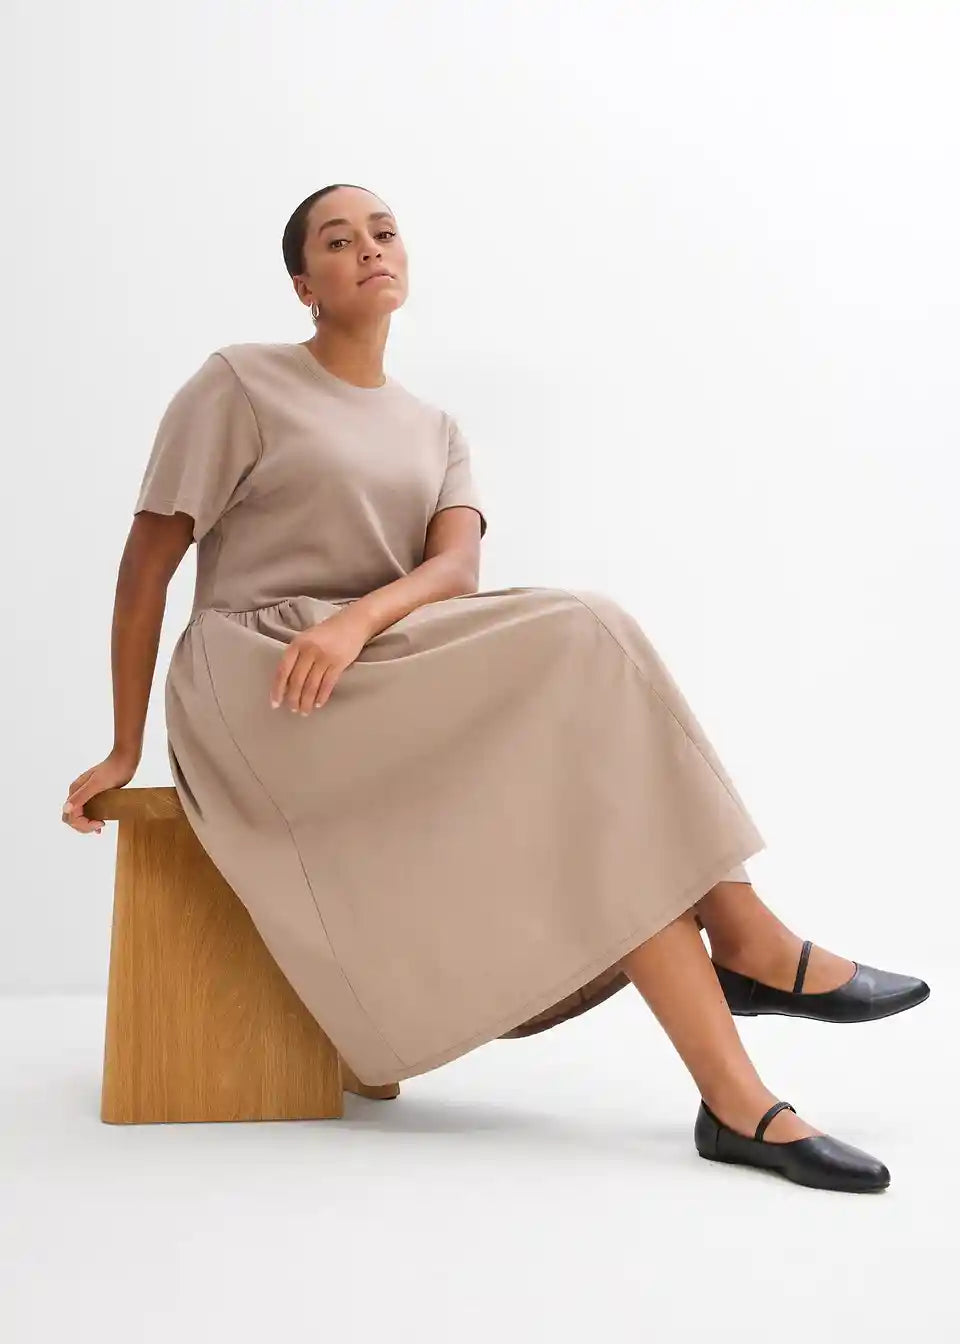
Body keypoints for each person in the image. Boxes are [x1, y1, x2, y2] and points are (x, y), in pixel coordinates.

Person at [61, 182, 929, 1193]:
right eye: (338, 241)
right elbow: (147, 565)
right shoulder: (240, 382)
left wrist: (357, 620)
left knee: (602, 771)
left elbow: (455, 571)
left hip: (379, 664)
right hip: (262, 684)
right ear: (303, 285)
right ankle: (746, 939)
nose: (368, 249)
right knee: (587, 629)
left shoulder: (436, 428)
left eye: (384, 232)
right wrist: (123, 745)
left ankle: (740, 1103)